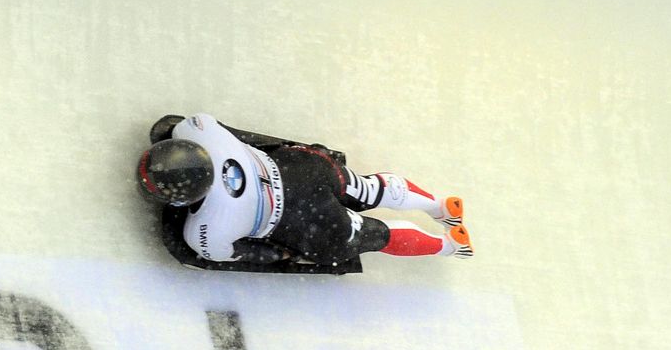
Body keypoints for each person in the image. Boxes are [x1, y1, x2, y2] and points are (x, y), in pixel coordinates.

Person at [135, 114, 471, 267]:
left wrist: (284, 255)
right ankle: (441, 205)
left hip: (305, 223)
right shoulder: (197, 127)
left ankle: (450, 245)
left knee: (375, 235)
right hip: (304, 169)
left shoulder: (205, 231)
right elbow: (241, 136)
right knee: (369, 188)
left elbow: (254, 254)